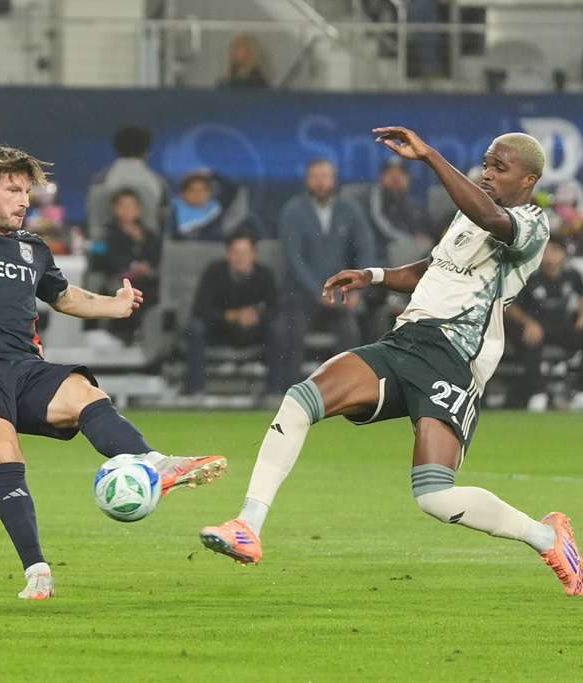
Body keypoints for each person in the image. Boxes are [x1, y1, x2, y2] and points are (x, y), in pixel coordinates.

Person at [0, 96, 227, 600]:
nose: (23, 200)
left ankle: (152, 462)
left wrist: (114, 306)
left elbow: (65, 297)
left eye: (27, 191)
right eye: (13, 190)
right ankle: (37, 570)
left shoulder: (33, 249)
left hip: (27, 368)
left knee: (86, 395)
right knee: (4, 449)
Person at [200, 127, 583, 597]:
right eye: (485, 164)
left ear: (529, 179)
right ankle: (247, 526)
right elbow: (431, 270)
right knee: (301, 401)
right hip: (406, 343)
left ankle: (547, 536)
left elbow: (491, 219)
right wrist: (373, 274)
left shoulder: (531, 224)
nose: (487, 174)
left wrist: (430, 155)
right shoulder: (469, 218)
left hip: (453, 358)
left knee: (436, 496)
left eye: (499, 168)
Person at [278, 158, 376, 388]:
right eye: (314, 177)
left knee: (351, 333)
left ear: (334, 179)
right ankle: (290, 392)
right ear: (306, 180)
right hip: (302, 297)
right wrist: (318, 292)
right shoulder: (293, 211)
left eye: (325, 176)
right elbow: (294, 260)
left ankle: (346, 390)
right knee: (292, 333)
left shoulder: (351, 209)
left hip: (340, 296)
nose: (320, 183)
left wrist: (357, 288)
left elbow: (365, 250)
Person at [184, 230, 284, 396]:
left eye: (245, 253)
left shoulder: (264, 274)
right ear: (228, 254)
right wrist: (230, 316)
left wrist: (256, 316)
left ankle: (275, 392)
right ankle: (196, 392)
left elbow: (275, 307)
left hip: (252, 330)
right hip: (221, 329)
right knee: (196, 327)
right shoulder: (214, 271)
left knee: (278, 330)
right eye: (236, 252)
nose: (241, 257)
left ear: (254, 254)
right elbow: (200, 307)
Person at [504, 234, 583, 411]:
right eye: (544, 251)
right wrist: (529, 321)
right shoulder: (529, 276)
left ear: (563, 254)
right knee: (530, 341)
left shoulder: (572, 275)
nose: (548, 257)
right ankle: (537, 394)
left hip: (561, 327)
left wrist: (581, 317)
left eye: (554, 251)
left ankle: (579, 392)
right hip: (537, 327)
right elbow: (510, 307)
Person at [90, 188, 162, 344]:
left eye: (132, 206)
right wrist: (132, 265)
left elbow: (157, 256)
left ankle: (145, 335)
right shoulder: (105, 233)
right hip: (117, 277)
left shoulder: (148, 234)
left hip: (147, 280)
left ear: (139, 210)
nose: (128, 210)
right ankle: (124, 333)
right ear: (115, 209)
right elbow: (100, 259)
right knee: (128, 294)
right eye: (123, 206)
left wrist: (141, 242)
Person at [86, 124, 169, 240]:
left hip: (106, 253)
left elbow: (94, 222)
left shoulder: (100, 180)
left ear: (117, 147)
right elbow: (163, 223)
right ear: (145, 150)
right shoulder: (158, 183)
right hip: (146, 253)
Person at [165, 169, 224, 241]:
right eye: (192, 190)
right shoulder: (172, 211)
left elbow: (236, 193)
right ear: (183, 193)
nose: (198, 195)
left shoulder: (216, 212)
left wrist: (213, 175)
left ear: (209, 193)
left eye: (202, 191)